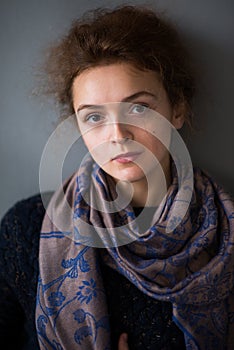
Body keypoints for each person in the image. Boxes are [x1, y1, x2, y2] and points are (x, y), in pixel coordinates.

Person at [0, 4, 233, 350]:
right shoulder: (25, 229)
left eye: (139, 108)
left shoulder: (225, 234)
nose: (117, 134)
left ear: (177, 109)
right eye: (94, 117)